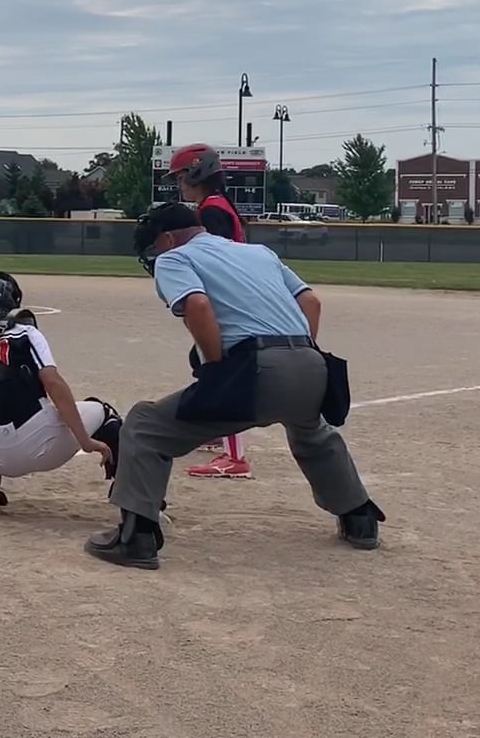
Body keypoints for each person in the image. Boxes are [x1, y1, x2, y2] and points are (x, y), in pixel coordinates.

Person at [84, 201, 385, 570]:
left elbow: (197, 306)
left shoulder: (175, 258)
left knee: (145, 425)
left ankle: (136, 537)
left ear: (169, 238)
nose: (155, 255)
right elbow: (311, 301)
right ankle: (360, 518)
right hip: (314, 365)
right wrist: (296, 353)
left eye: (155, 246)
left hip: (257, 371)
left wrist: (216, 370)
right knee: (312, 432)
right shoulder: (258, 252)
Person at [0, 271, 119, 511]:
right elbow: (53, 384)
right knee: (104, 412)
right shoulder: (25, 333)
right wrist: (85, 441)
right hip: (41, 445)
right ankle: (128, 488)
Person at [166, 143, 255, 480]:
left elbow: (214, 260)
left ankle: (235, 458)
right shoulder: (218, 204)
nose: (179, 184)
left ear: (197, 173)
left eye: (181, 177)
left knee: (219, 368)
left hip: (228, 298)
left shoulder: (211, 212)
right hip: (237, 294)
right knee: (201, 360)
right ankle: (219, 430)